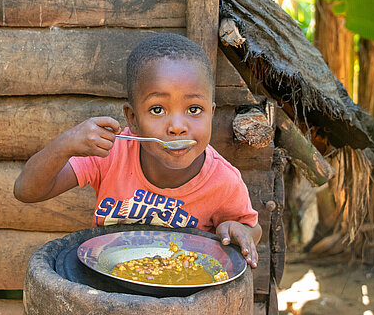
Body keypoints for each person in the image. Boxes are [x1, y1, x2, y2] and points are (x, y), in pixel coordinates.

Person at [14, 33, 262, 268]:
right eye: (157, 110)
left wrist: (236, 229)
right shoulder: (112, 153)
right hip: (109, 285)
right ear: (132, 119)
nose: (177, 127)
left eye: (194, 109)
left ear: (212, 113)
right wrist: (64, 145)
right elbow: (26, 191)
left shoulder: (224, 181)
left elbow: (252, 228)